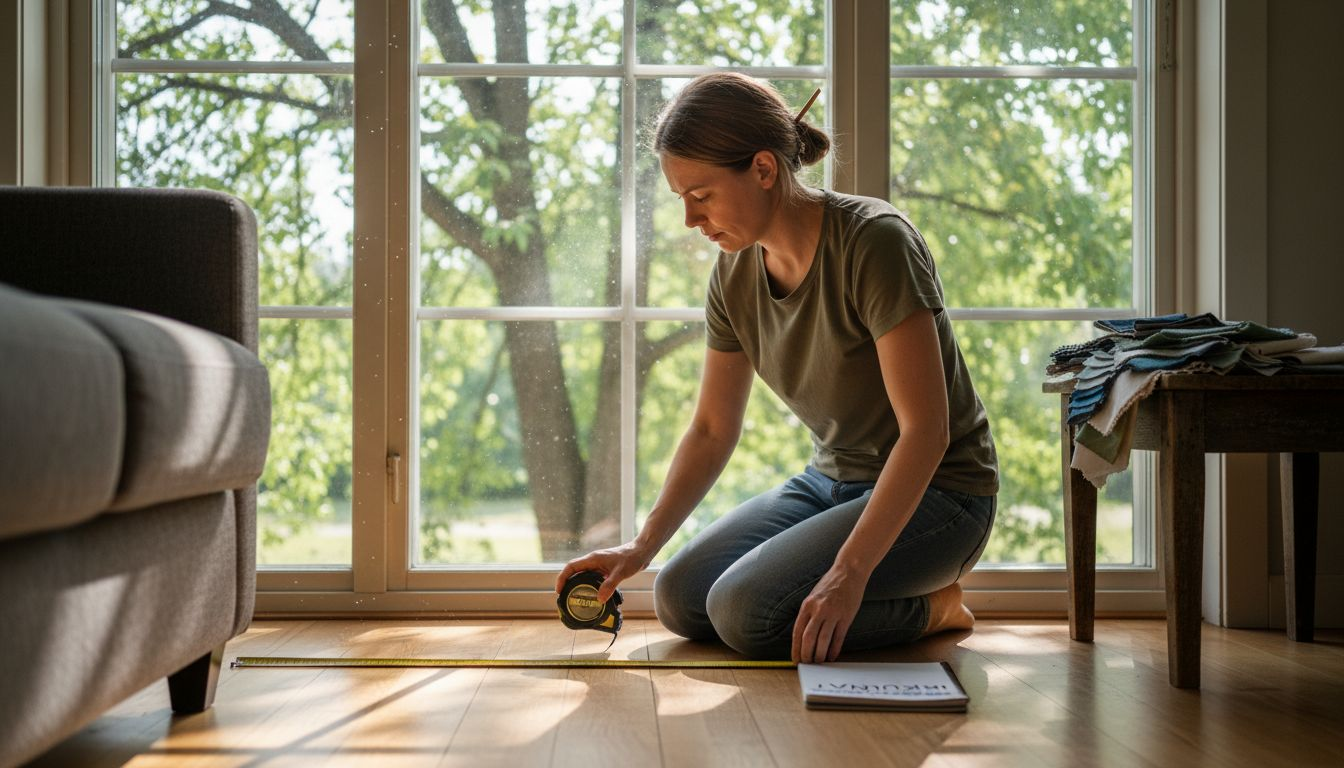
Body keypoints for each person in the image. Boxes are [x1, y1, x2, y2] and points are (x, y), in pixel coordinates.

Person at [556, 72, 999, 664]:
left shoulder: (875, 242)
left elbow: (927, 432)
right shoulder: (733, 274)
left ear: (764, 170)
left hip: (942, 496)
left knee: (747, 617)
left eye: (701, 195)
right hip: (828, 484)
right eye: (680, 199)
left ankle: (934, 607)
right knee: (680, 598)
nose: (690, 219)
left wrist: (849, 573)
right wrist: (639, 548)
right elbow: (713, 429)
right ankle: (868, 594)